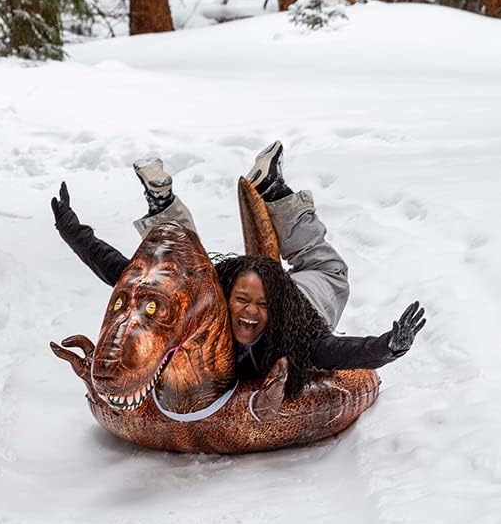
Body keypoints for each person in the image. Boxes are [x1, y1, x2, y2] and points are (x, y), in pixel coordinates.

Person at [51, 142, 426, 398]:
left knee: (328, 270)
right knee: (182, 274)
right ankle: (263, 192)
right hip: (250, 291)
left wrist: (388, 347)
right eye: (241, 301)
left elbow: (341, 353)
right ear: (224, 298)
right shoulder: (209, 305)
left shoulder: (294, 337)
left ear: (274, 307)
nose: (248, 312)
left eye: (260, 306)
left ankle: (270, 193)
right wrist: (72, 232)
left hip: (304, 300)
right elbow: (125, 273)